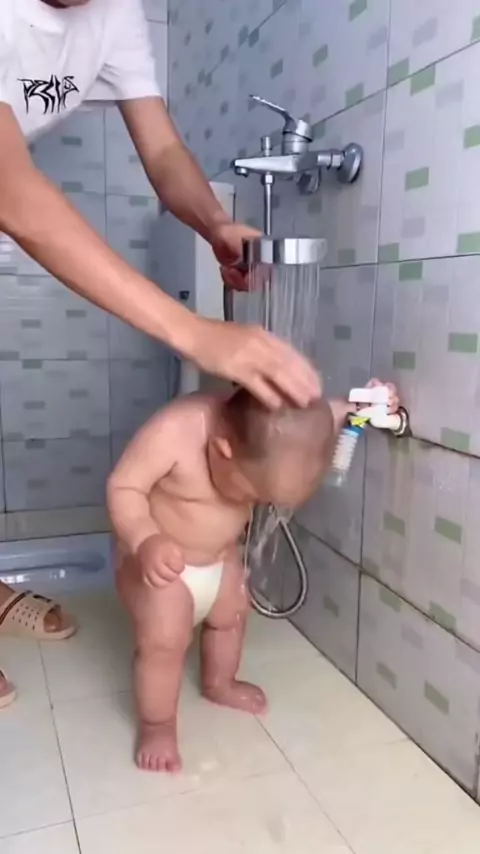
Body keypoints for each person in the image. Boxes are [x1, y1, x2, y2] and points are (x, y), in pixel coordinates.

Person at [0, 0, 321, 708]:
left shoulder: (116, 14)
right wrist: (193, 331)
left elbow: (165, 153)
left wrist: (214, 223)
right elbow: (11, 188)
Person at [107, 380, 400, 772]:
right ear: (222, 452)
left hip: (220, 557)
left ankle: (220, 683)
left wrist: (360, 404)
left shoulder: (280, 427)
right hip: (159, 566)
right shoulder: (176, 430)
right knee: (164, 644)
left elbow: (318, 416)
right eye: (251, 492)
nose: (254, 503)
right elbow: (124, 486)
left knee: (231, 616)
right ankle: (156, 724)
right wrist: (145, 539)